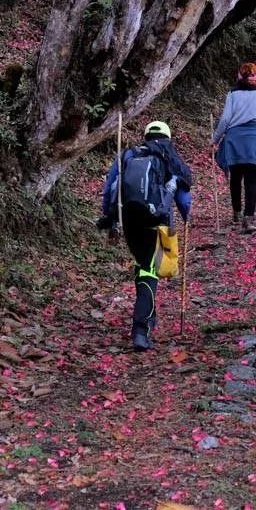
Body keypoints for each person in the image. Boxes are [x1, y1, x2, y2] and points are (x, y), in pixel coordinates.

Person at [97, 121, 192, 351]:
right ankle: (140, 330)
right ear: (168, 136)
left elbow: (110, 188)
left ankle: (147, 318)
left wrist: (110, 219)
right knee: (149, 271)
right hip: (156, 220)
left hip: (129, 219)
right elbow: (183, 197)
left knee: (144, 265)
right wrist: (186, 216)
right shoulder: (168, 156)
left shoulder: (129, 155)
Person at [212, 62, 256, 234]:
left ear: (239, 76)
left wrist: (215, 140)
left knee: (235, 177)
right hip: (254, 140)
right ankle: (248, 220)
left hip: (234, 139)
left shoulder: (232, 93)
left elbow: (225, 120)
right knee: (251, 180)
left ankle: (236, 214)